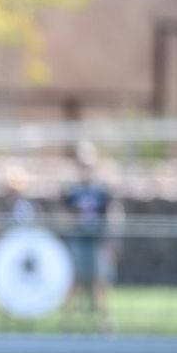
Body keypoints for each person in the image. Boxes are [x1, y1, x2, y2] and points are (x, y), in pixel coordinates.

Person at [61, 140, 121, 331]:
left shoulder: (102, 190)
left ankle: (103, 320)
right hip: (78, 237)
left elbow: (111, 213)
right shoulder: (71, 190)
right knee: (74, 277)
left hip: (97, 238)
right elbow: (64, 213)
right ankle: (68, 320)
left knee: (99, 279)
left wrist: (110, 240)